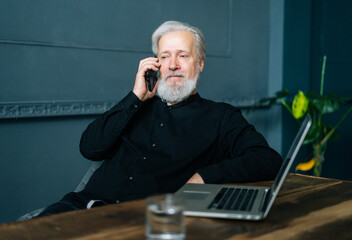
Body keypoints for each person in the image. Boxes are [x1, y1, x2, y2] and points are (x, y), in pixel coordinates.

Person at [37, 21, 282, 217]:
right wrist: (135, 96)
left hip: (144, 219)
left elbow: (268, 159)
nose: (173, 64)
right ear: (156, 64)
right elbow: (90, 148)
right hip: (81, 206)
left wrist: (206, 176)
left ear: (201, 64)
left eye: (183, 56)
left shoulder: (221, 117)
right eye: (165, 57)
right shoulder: (136, 106)